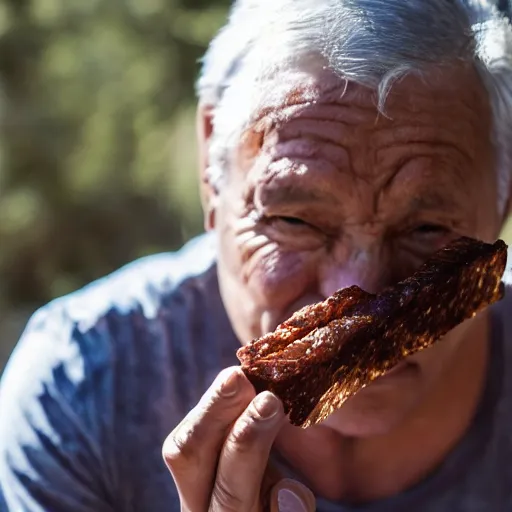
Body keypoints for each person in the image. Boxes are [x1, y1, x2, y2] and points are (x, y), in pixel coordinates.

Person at [1, 0, 512, 510]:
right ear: (211, 174)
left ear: (503, 197)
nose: (356, 295)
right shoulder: (81, 389)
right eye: (295, 221)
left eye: (426, 229)